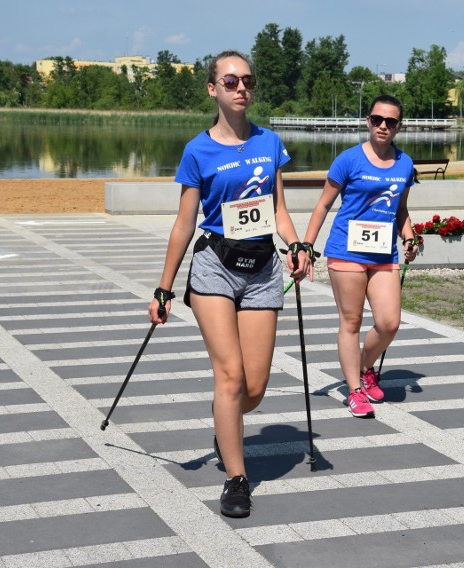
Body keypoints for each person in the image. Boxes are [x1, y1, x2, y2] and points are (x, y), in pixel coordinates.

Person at [148, 50, 310, 518]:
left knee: (253, 388)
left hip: (261, 269)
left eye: (248, 81)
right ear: (213, 88)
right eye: (231, 80)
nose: (242, 88)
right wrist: (163, 288)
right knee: (231, 376)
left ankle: (226, 426)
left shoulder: (270, 142)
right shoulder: (198, 150)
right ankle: (236, 479)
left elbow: (278, 209)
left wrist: (297, 245)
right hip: (213, 266)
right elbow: (183, 224)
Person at [301, 94, 418, 418]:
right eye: (377, 120)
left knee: (389, 322)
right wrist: (307, 247)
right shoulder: (349, 160)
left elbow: (401, 209)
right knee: (351, 322)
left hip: (383, 252)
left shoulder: (405, 163)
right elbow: (324, 204)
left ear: (398, 126)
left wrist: (409, 237)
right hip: (346, 250)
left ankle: (366, 368)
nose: (383, 126)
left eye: (390, 121)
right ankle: (354, 390)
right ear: (368, 121)